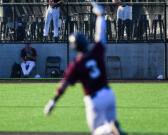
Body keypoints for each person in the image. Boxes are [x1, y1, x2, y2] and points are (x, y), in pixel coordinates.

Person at [44, 2, 126, 135]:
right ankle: (112, 127)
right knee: (110, 125)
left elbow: (64, 84)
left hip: (94, 100)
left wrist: (53, 101)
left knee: (97, 131)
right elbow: (101, 35)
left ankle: (110, 128)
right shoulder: (96, 51)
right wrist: (100, 16)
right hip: (109, 94)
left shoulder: (76, 64)